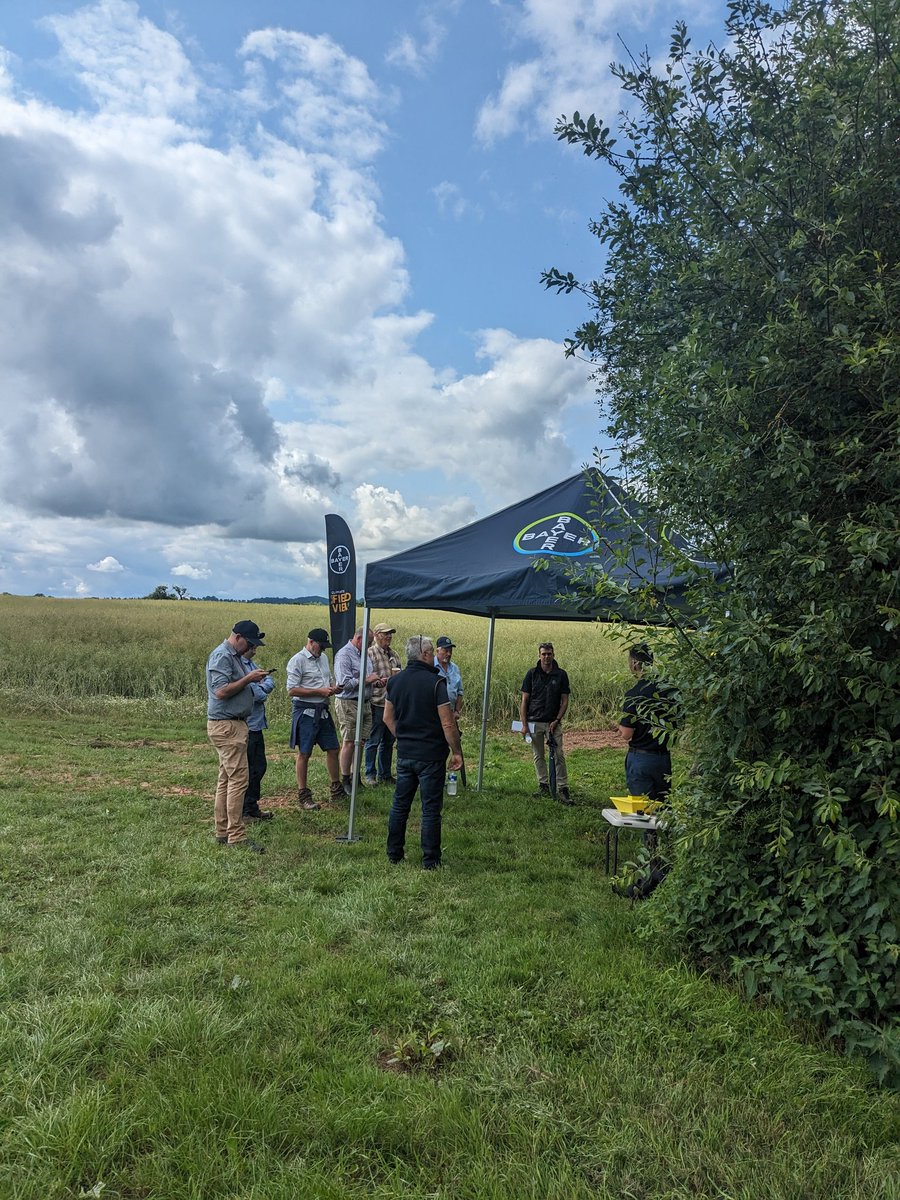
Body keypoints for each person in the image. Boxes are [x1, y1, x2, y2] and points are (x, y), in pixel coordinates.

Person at [384, 635, 463, 870]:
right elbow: (447, 723)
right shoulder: (436, 683)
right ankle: (430, 860)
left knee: (400, 805)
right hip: (431, 755)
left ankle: (394, 853)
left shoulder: (395, 681)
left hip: (405, 753)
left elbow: (387, 717)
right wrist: (456, 751)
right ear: (426, 654)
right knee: (430, 809)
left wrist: (403, 737)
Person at [206, 619, 270, 852]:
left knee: (226, 779)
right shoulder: (222, 656)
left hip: (233, 724)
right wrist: (248, 679)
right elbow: (220, 691)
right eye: (249, 643)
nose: (251, 648)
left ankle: (222, 831)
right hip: (227, 726)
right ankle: (236, 836)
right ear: (238, 637)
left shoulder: (234, 657)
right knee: (238, 780)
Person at [286, 628, 344, 810]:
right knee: (305, 753)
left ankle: (336, 788)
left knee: (333, 748)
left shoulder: (323, 658)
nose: (323, 650)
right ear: (310, 642)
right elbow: (292, 690)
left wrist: (334, 687)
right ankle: (303, 794)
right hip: (305, 712)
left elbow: (329, 680)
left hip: (323, 710)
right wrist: (319, 691)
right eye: (321, 646)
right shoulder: (297, 660)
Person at [618, 643, 676, 802]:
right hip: (663, 757)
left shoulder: (634, 694)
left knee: (642, 807)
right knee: (662, 806)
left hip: (641, 758)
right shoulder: (669, 690)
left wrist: (620, 727)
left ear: (634, 663)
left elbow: (626, 734)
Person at [520, 640, 573, 805]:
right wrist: (524, 724)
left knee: (558, 755)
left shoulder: (561, 675)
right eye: (543, 654)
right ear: (539, 655)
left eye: (549, 654)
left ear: (553, 655)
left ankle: (562, 788)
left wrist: (557, 720)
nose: (546, 657)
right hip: (534, 721)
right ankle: (543, 784)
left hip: (553, 722)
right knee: (538, 755)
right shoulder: (532, 674)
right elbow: (524, 700)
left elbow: (565, 701)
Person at [334, 627, 385, 795]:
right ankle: (345, 779)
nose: (370, 646)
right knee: (349, 741)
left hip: (365, 702)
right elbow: (344, 684)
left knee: (361, 741)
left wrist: (376, 682)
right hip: (349, 702)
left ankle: (356, 777)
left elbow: (366, 680)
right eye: (368, 643)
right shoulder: (344, 655)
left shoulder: (364, 654)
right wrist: (367, 679)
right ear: (358, 638)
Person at [240, 643, 276, 822]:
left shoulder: (251, 665)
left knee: (259, 766)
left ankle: (252, 807)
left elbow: (270, 682)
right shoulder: (241, 667)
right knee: (250, 769)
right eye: (252, 647)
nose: (254, 651)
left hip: (257, 725)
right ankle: (245, 810)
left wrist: (261, 684)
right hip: (249, 726)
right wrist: (261, 685)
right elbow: (259, 695)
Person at [365, 622, 402, 785]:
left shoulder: (394, 654)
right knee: (374, 740)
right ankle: (370, 774)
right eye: (386, 633)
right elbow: (366, 678)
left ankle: (385, 774)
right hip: (377, 701)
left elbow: (400, 672)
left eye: (390, 634)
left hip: (392, 703)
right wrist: (377, 682)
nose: (389, 636)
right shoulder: (370, 653)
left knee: (389, 740)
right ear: (377, 635)